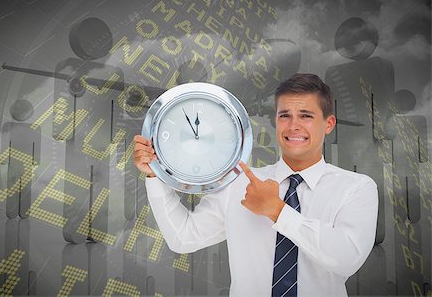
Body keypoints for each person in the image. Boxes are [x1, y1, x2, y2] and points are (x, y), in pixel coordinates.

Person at [133, 73, 378, 297]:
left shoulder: (356, 187)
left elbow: (348, 259)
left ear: (329, 124)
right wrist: (155, 176)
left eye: (306, 115)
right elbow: (183, 238)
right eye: (285, 116)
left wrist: (277, 211)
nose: (293, 126)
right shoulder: (238, 183)